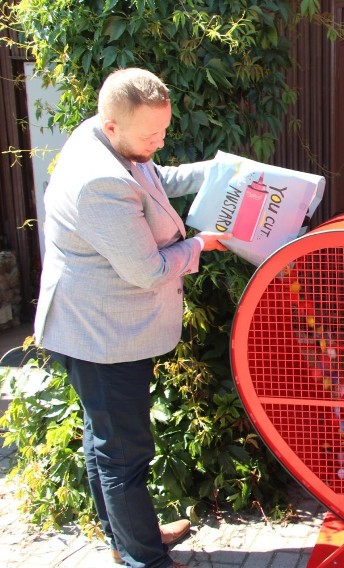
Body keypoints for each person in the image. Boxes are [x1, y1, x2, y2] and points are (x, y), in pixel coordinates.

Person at [33, 68, 231, 568]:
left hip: (99, 322)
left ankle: (128, 537)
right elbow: (148, 270)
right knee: (124, 453)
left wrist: (219, 171)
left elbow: (155, 179)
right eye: (151, 136)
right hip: (101, 333)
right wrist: (200, 245)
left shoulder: (105, 138)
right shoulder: (99, 179)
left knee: (107, 442)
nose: (159, 143)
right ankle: (146, 558)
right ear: (114, 125)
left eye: (163, 131)